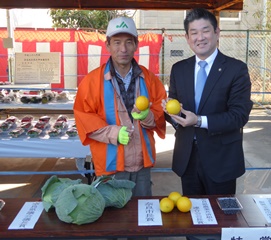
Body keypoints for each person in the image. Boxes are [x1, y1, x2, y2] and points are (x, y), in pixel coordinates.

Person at [162, 8, 253, 197]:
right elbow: (175, 110)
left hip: (221, 160)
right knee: (192, 217)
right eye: (194, 33)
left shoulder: (236, 69)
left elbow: (238, 116)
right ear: (187, 38)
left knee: (222, 219)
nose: (200, 37)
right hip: (187, 158)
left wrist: (199, 121)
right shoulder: (179, 69)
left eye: (205, 31)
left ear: (217, 33)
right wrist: (170, 113)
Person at [74, 16, 167, 198]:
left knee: (142, 215)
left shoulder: (150, 79)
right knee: (112, 219)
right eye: (117, 42)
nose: (123, 49)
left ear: (136, 44)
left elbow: (160, 112)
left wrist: (149, 117)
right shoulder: (92, 81)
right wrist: (113, 133)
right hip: (110, 166)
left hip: (142, 164)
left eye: (128, 42)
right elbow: (83, 117)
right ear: (107, 45)